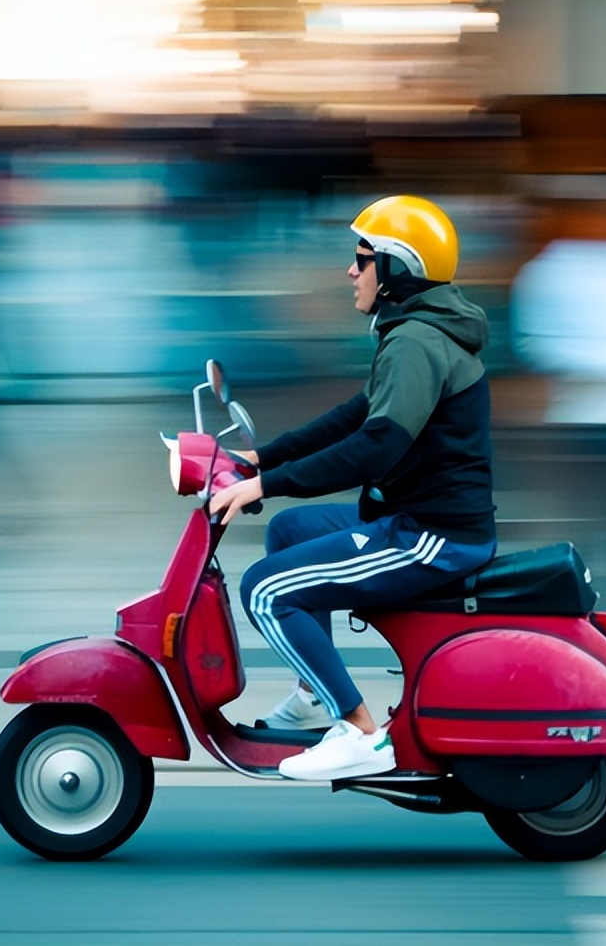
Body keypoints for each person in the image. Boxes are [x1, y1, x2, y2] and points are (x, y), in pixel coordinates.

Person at [208, 195, 498, 781]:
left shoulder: (416, 343)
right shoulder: (414, 333)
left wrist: (269, 482)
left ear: (396, 269)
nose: (351, 270)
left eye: (362, 258)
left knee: (266, 591)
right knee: (289, 532)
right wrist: (259, 458)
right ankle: (315, 693)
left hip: (432, 534)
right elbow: (353, 417)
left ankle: (362, 734)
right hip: (415, 517)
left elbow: (376, 447)